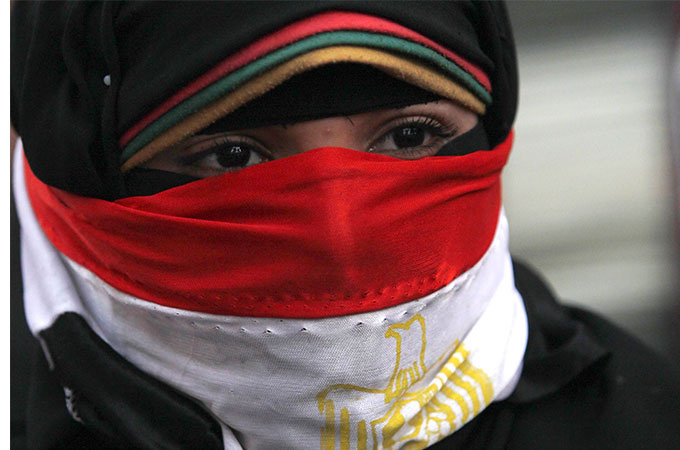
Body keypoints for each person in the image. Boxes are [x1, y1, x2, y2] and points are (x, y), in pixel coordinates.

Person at [10, 2, 680, 449]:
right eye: (233, 156)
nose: (340, 235)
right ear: (85, 175)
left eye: (409, 135)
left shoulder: (632, 421)